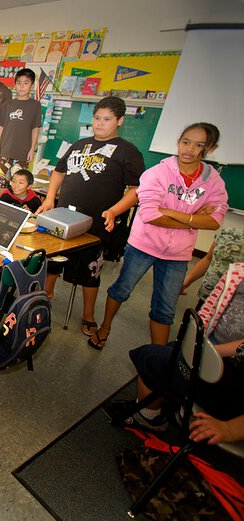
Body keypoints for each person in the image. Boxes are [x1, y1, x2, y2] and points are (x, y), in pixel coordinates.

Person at [88, 123, 228, 350]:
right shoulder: (158, 173)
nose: (189, 149)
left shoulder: (213, 181)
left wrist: (173, 212)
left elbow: (214, 221)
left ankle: (157, 356)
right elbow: (151, 215)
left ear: (209, 148)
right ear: (178, 141)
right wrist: (192, 218)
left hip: (178, 254)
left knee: (165, 308)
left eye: (198, 145)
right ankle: (105, 328)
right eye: (185, 142)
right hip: (143, 244)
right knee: (121, 289)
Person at [36, 96, 145, 336]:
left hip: (95, 224)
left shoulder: (128, 151)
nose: (100, 124)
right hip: (63, 217)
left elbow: (137, 189)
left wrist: (115, 210)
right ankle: (45, 297)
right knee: (52, 262)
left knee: (90, 271)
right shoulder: (79, 145)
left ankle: (88, 315)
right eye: (97, 118)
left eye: (107, 119)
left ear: (120, 121)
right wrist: (50, 197)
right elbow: (58, 171)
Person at [109, 264, 244, 442]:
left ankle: (150, 418)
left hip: (230, 369)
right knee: (168, 352)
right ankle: (167, 410)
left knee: (150, 357)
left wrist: (230, 429)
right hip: (211, 347)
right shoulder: (238, 271)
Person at [0, 68, 42, 171]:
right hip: (5, 151)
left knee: (19, 184)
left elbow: (35, 129)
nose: (22, 86)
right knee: (2, 183)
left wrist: (32, 149)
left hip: (23, 153)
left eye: (26, 83)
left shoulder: (35, 105)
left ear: (32, 86)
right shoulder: (7, 104)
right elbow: (1, 126)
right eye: (19, 83)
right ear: (15, 85)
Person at [182, 227, 244, 309]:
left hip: (234, 304)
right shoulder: (227, 233)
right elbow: (208, 259)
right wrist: (187, 281)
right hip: (209, 294)